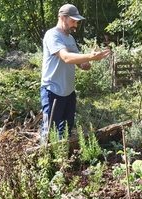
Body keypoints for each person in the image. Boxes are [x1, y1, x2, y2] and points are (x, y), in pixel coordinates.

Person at [40, 3, 111, 145]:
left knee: (66, 129)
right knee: (50, 131)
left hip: (69, 92)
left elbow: (77, 61)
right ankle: (44, 158)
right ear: (62, 18)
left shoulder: (70, 39)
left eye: (77, 23)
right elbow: (66, 57)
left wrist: (85, 63)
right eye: (73, 21)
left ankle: (62, 157)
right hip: (52, 91)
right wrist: (90, 56)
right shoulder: (52, 35)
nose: (75, 26)